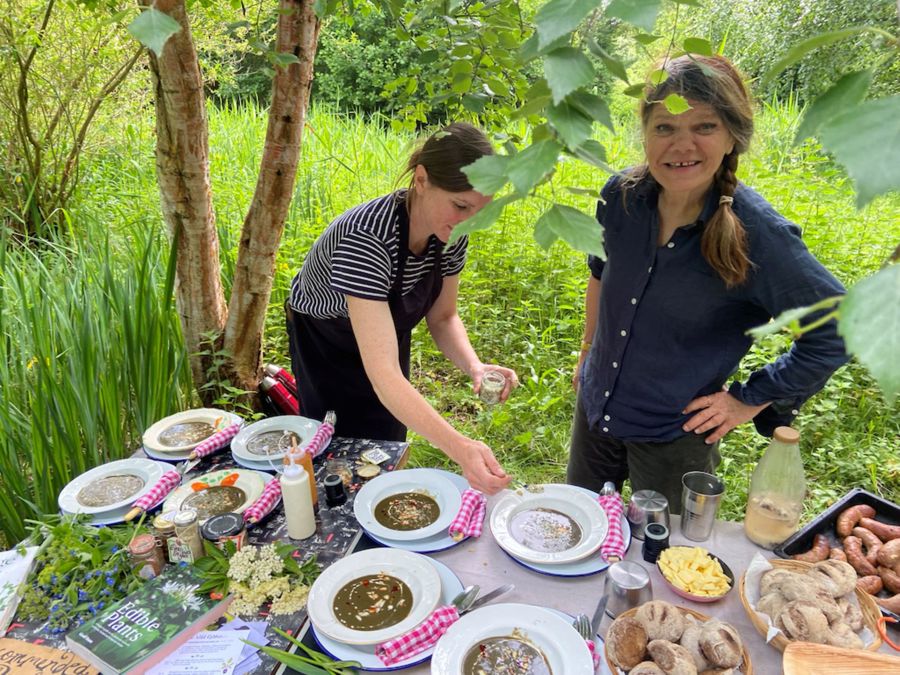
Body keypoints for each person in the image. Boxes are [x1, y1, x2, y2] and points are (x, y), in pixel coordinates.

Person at [568, 55, 848, 513]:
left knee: (663, 558)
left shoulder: (758, 235)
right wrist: (587, 351)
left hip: (672, 439)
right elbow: (600, 274)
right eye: (664, 128)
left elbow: (838, 329)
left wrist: (747, 400)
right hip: (595, 411)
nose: (682, 145)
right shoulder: (621, 198)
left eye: (704, 126)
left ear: (732, 135)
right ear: (645, 133)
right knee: (578, 525)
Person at [286, 122, 517, 494]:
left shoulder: (451, 232)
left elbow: (443, 317)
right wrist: (461, 448)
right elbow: (385, 376)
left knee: (388, 436)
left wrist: (474, 366)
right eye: (461, 205)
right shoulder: (366, 237)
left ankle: (381, 500)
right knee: (337, 451)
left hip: (383, 331)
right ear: (422, 180)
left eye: (478, 211)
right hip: (326, 340)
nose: (468, 221)